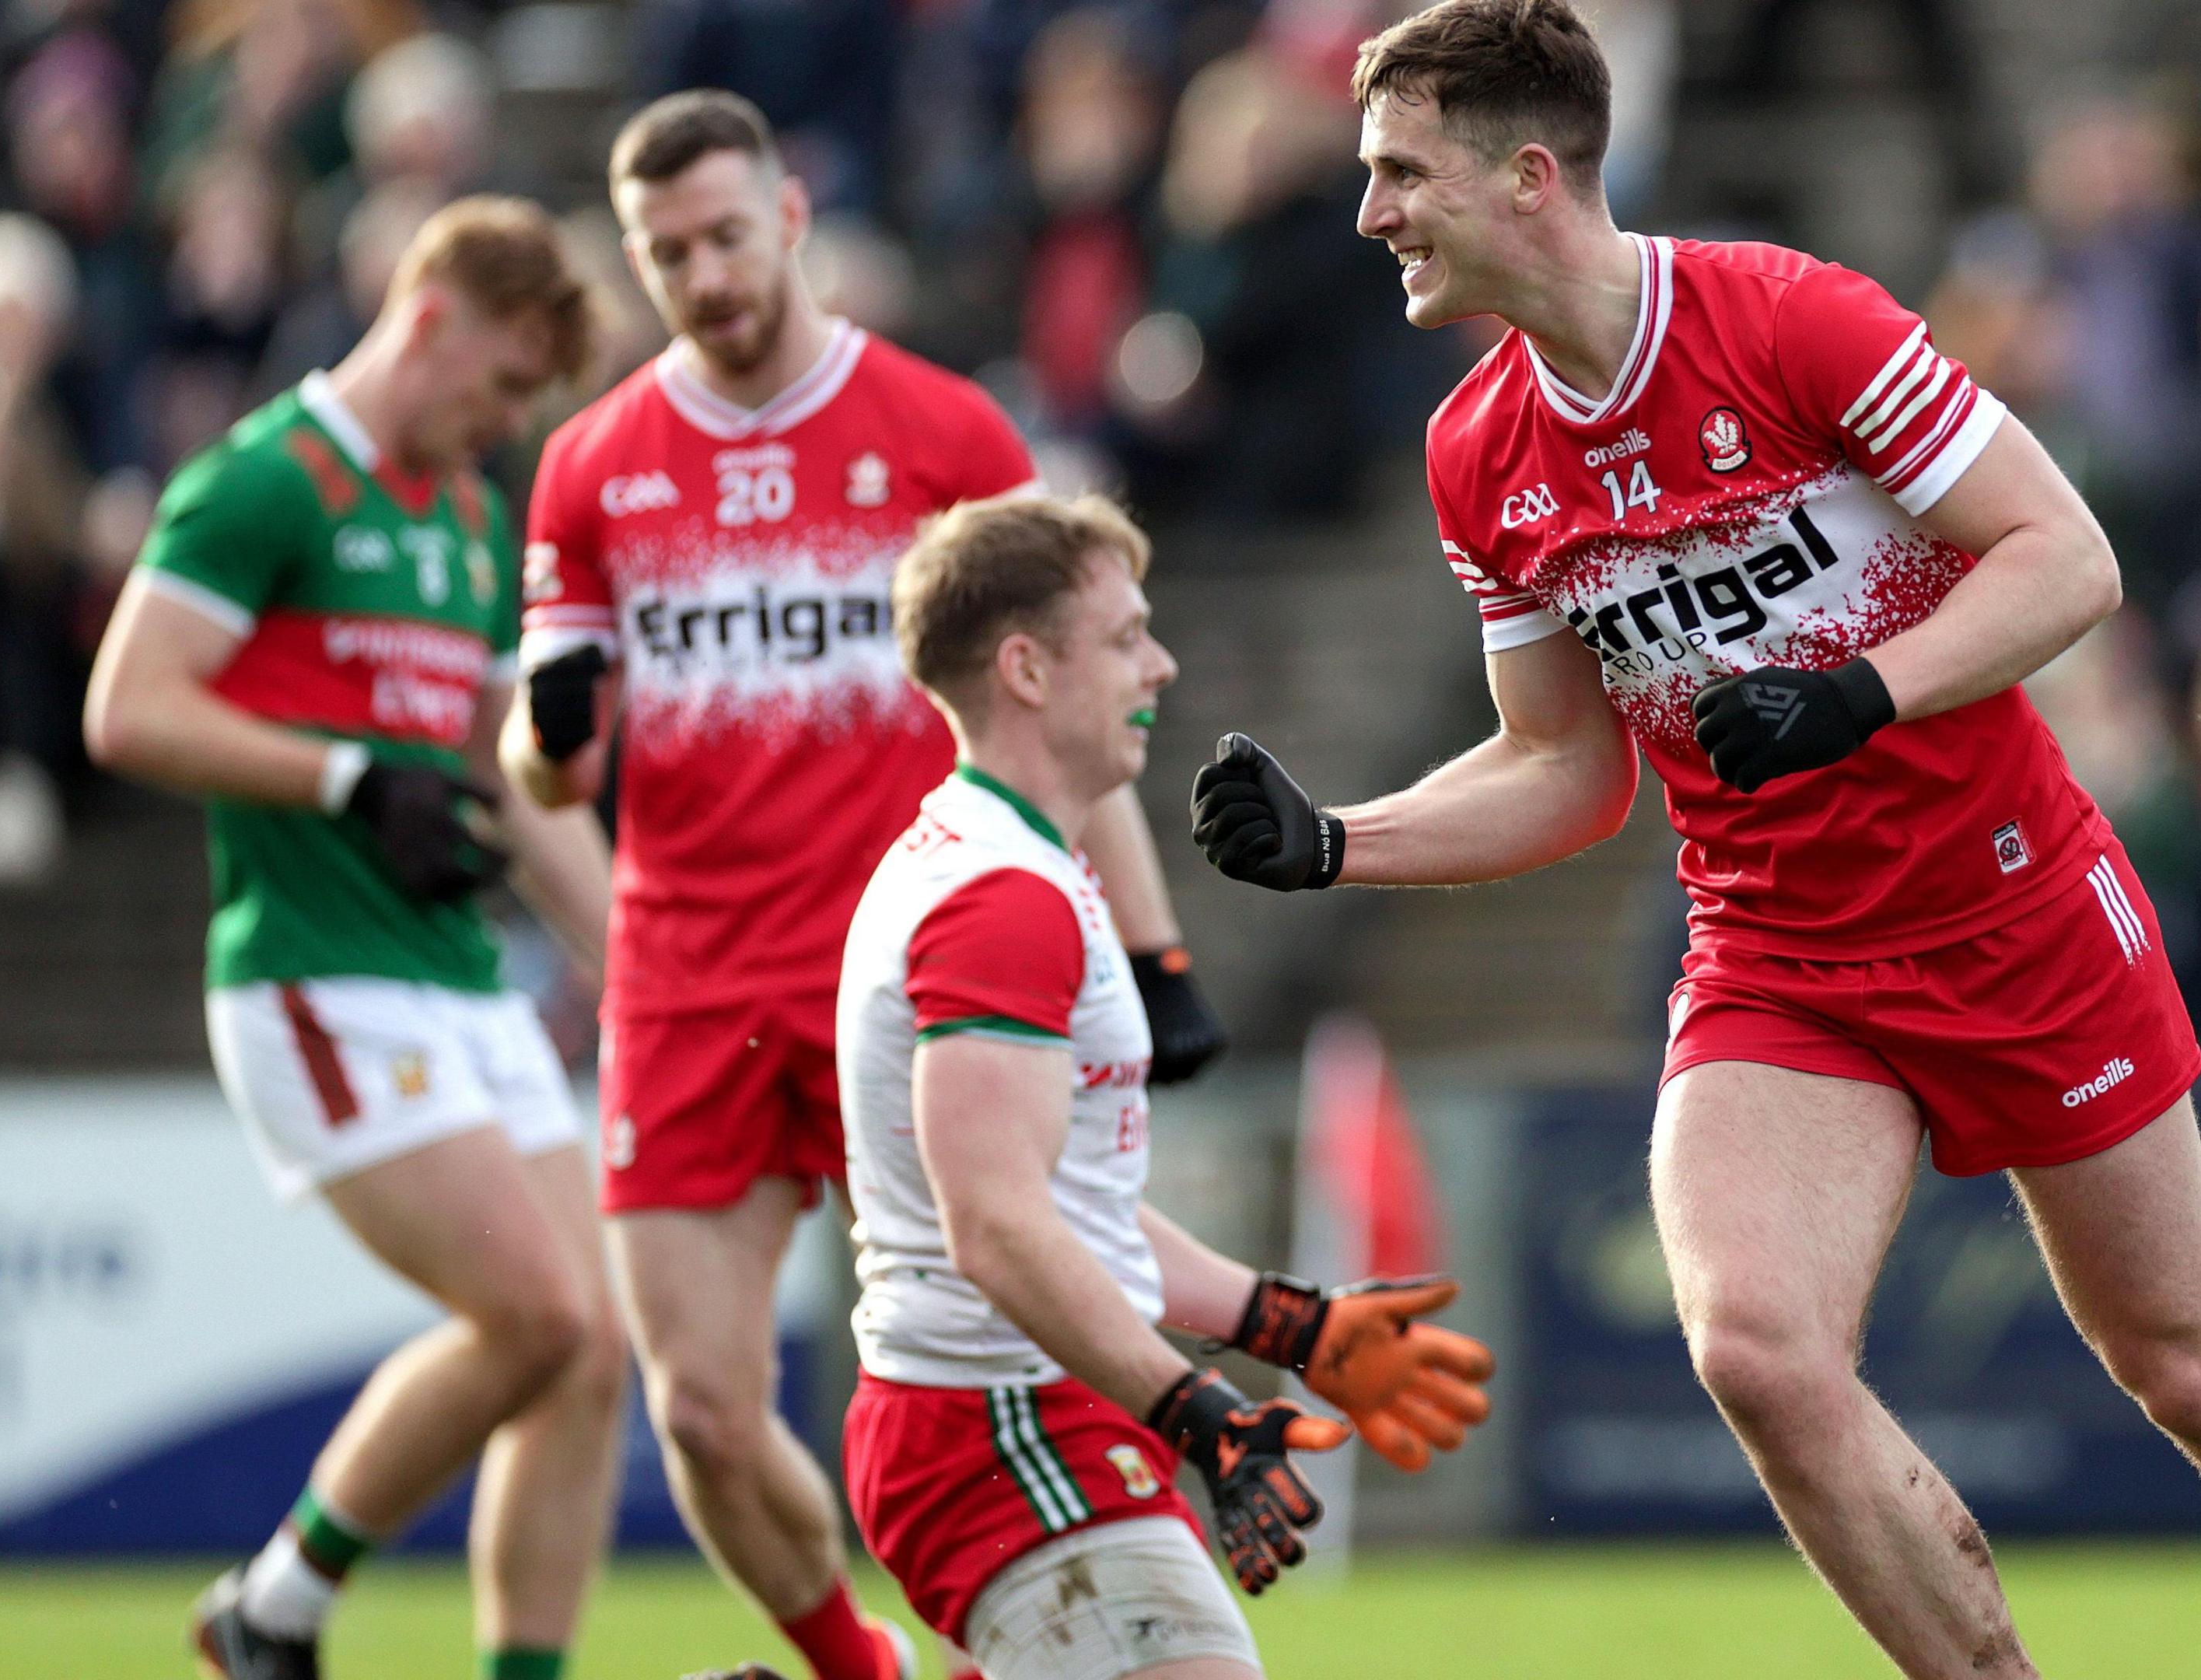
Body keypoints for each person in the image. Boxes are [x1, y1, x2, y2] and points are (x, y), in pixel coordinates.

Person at [1188, 5, 2201, 1678]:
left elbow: (2066, 561)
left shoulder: (1790, 319)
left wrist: (1860, 694)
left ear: (1531, 176)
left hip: (2013, 909)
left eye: (1401, 172)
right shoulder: (1477, 451)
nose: (1370, 214)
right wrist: (1341, 843)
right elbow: (1568, 771)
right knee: (1759, 1354)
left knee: (2193, 1372)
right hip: (1780, 954)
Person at [498, 91, 1225, 1680]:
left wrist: (1157, 955)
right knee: (693, 1403)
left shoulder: (947, 435)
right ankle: (863, 1669)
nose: (703, 274)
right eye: (665, 252)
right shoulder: (591, 468)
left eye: (724, 236)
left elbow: (1069, 705)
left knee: (1009, 1323)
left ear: (793, 216)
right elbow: (541, 762)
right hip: (688, 980)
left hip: (908, 979)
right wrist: (550, 740)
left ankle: (1082, 1605)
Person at [82, 196, 625, 1680]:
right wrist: (343, 775)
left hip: (458, 979)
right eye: (507, 383)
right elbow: (128, 708)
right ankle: (273, 1609)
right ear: (431, 313)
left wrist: (647, 971)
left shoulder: (460, 511)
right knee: (534, 1313)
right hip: (316, 979)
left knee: (592, 1357)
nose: (508, 421)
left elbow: (514, 781)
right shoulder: (264, 481)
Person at [828, 490, 1495, 1680]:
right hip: (1001, 1421)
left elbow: (1060, 1203)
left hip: (1013, 1406)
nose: (1164, 662)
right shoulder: (1003, 898)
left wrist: (1289, 1323)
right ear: (1026, 669)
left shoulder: (1013, 864)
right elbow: (997, 1228)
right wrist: (1199, 1411)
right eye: (1128, 634)